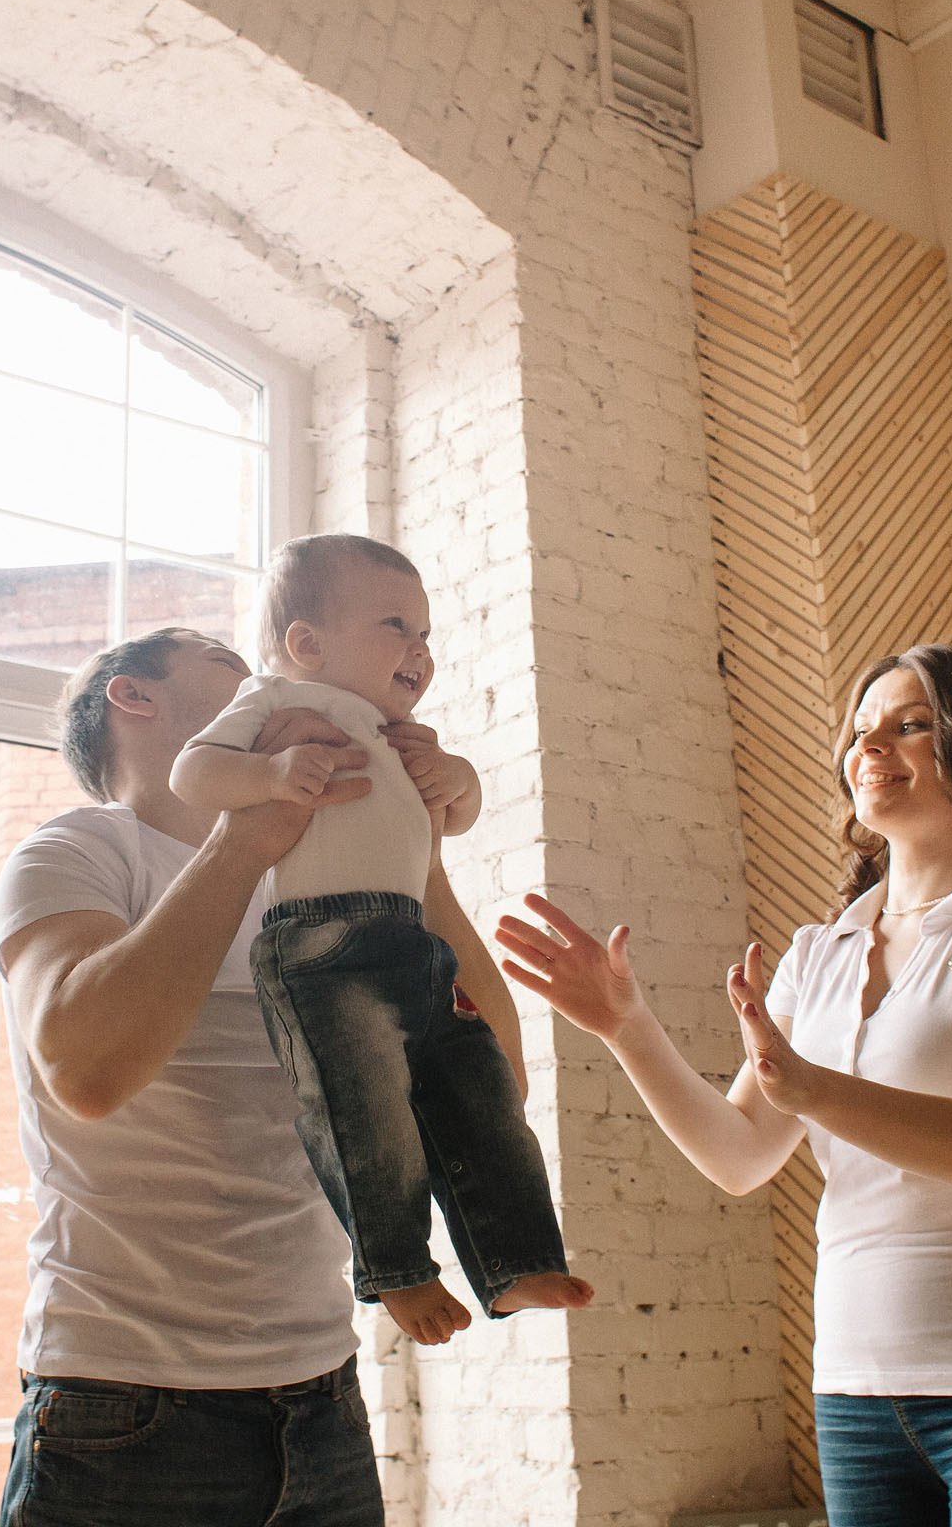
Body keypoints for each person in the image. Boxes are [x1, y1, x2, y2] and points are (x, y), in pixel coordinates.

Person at [495, 644, 952, 1527]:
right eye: (861, 731)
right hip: (856, 1390)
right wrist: (627, 1026)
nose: (870, 747)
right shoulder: (820, 951)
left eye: (911, 725)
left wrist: (811, 1091)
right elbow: (739, 1157)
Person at [0, 624, 531, 1527]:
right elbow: (84, 1070)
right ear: (134, 696)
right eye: (233, 665)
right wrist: (243, 841)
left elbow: (493, 1080)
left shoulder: (314, 883)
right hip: (122, 1405)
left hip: (321, 1396)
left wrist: (419, 848)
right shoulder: (76, 852)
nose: (273, 680)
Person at [172, 534, 592, 1346]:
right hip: (323, 943)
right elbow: (194, 775)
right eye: (396, 625)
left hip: (417, 943)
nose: (420, 649)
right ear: (307, 644)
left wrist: (454, 776)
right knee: (364, 1111)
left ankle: (514, 1258)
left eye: (427, 633)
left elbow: (458, 816)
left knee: (481, 1089)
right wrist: (267, 776)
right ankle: (398, 1269)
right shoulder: (276, 701)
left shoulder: (405, 734)